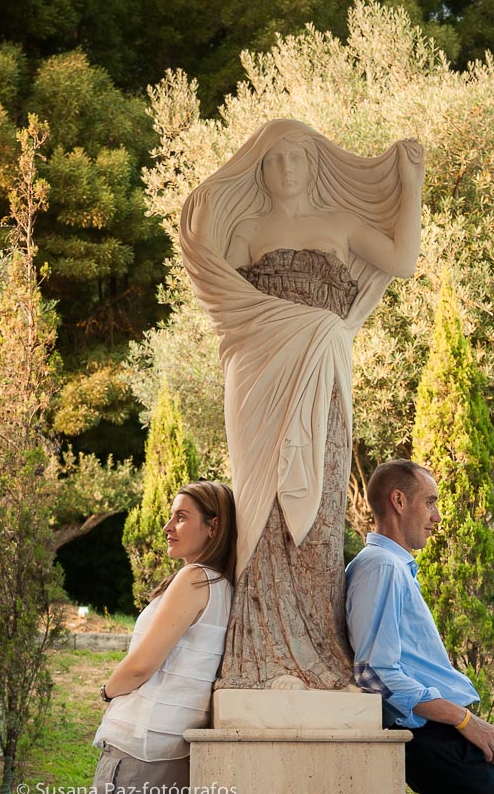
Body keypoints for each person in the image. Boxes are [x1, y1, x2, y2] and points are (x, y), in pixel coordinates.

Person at [179, 119, 424, 691]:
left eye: (294, 158)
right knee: (261, 512)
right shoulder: (246, 231)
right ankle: (262, 657)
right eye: (272, 160)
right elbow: (214, 283)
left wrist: (409, 183)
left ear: (312, 165)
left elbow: (404, 260)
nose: (284, 169)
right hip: (259, 374)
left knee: (318, 510)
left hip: (324, 375)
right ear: (259, 171)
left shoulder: (339, 223)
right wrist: (197, 215)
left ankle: (314, 649)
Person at [345, 459, 494, 794]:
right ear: (398, 501)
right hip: (435, 735)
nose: (437, 516)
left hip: (440, 736)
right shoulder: (382, 566)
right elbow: (373, 673)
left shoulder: (392, 566)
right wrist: (462, 719)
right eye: (430, 502)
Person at [87, 481, 237, 794]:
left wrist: (107, 691)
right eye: (171, 517)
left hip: (143, 746)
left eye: (181, 517)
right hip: (174, 749)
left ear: (213, 526)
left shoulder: (195, 579)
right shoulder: (222, 585)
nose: (168, 528)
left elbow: (142, 665)